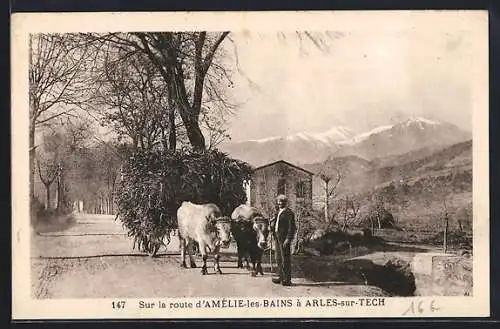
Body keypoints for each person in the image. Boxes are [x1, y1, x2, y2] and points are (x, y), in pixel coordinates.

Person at [270, 194, 296, 286]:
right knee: (278, 258)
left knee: (285, 259)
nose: (279, 203)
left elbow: (291, 227)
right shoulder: (278, 212)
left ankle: (287, 279)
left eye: (282, 202)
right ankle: (281, 277)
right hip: (277, 237)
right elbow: (275, 223)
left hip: (284, 238)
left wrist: (288, 239)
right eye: (278, 202)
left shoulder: (289, 213)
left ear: (285, 203)